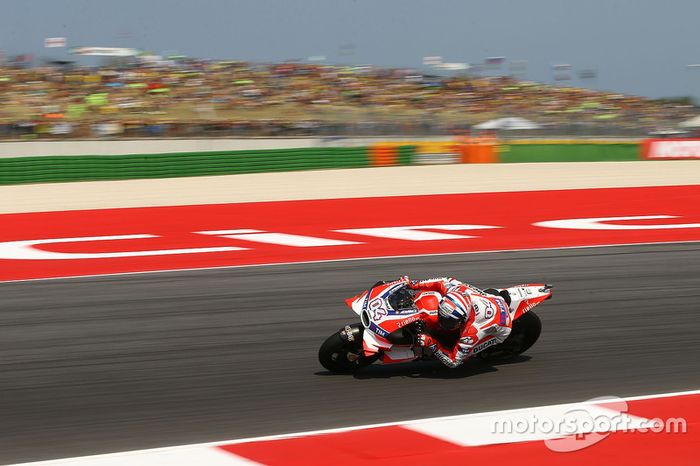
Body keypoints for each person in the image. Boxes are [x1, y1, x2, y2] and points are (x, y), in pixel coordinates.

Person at [398, 276, 513, 368]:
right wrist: (413, 284)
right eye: (442, 318)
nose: (443, 323)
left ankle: (475, 351)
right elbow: (442, 281)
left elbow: (453, 362)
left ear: (463, 319)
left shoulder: (472, 331)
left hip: (502, 326)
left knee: (463, 350)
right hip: (491, 300)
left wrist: (431, 343)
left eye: (450, 322)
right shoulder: (457, 290)